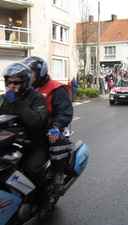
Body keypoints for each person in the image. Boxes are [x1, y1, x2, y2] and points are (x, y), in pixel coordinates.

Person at [0, 63, 50, 218]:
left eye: (16, 82)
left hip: (34, 144)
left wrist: (16, 102)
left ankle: (43, 201)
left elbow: (35, 120)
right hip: (10, 143)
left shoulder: (37, 99)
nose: (12, 85)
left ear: (25, 82)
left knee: (32, 170)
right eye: (9, 82)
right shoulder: (2, 99)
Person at [21, 56, 73, 196]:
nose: (27, 76)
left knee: (57, 140)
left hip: (48, 129)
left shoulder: (55, 89)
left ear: (40, 72)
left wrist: (56, 127)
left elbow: (65, 112)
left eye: (30, 72)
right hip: (26, 130)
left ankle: (58, 174)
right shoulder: (24, 89)